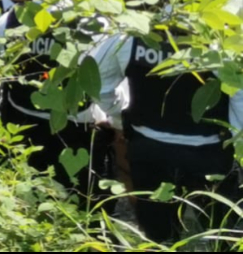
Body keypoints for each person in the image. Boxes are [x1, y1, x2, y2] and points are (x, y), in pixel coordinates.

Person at [90, 23, 243, 241]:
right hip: (209, 153)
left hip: (148, 150)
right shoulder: (220, 38)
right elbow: (240, 94)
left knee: (158, 237)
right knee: (221, 234)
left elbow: (99, 83)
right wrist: (237, 142)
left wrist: (118, 117)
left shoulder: (132, 35)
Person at [0, 0, 118, 203]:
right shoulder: (95, 22)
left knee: (27, 201)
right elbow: (107, 78)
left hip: (21, 125)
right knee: (81, 203)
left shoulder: (9, 18)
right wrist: (116, 119)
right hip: (76, 131)